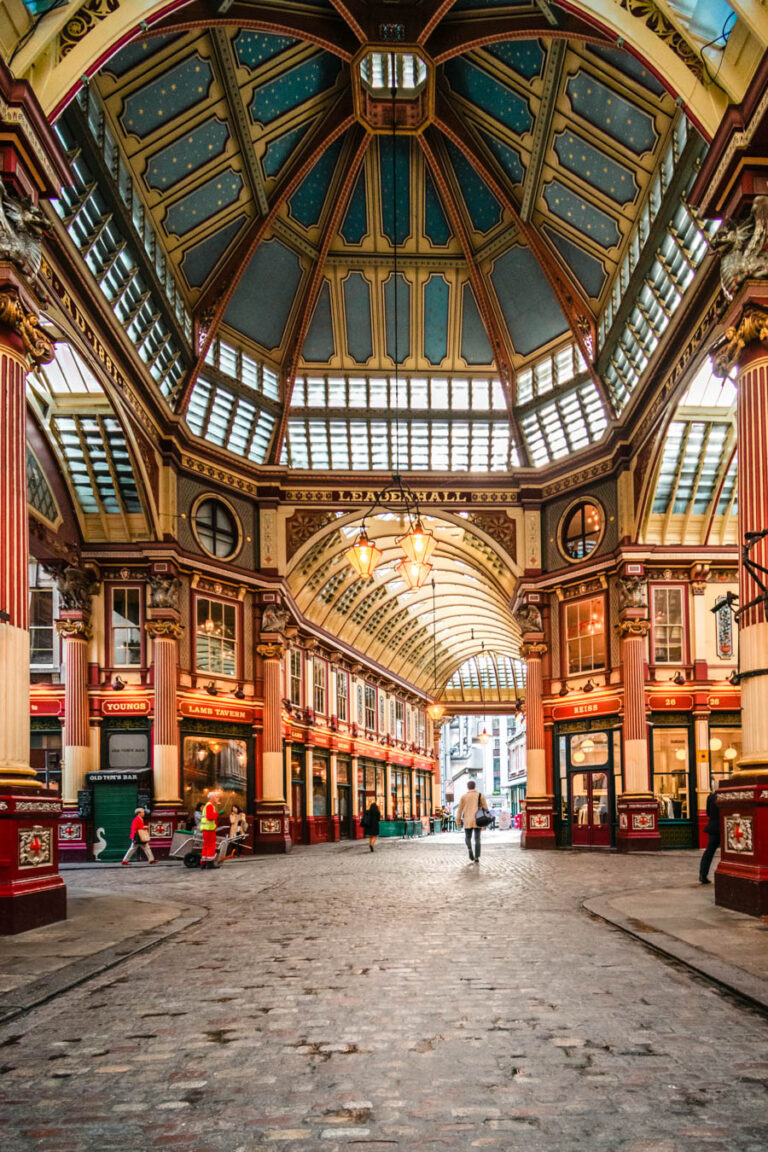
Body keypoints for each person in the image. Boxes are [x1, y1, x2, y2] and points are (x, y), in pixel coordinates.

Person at [456, 780, 488, 864]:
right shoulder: (480, 796)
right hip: (478, 820)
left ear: (468, 787)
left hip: (467, 820)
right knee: (477, 838)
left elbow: (459, 810)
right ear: (475, 786)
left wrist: (458, 821)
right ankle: (477, 857)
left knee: (467, 837)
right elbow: (485, 809)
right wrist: (485, 823)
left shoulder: (463, 797)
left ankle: (470, 849)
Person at [699, 788, 721, 884]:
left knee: (709, 852)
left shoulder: (711, 797)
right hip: (723, 826)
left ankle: (703, 874)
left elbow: (708, 812)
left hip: (713, 826)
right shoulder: (725, 796)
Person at [200, 790, 221, 869]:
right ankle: (210, 863)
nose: (217, 798)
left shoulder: (207, 805)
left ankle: (203, 863)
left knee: (206, 845)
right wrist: (217, 814)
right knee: (211, 845)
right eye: (216, 797)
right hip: (209, 829)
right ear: (212, 798)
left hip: (206, 829)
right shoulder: (210, 806)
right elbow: (210, 817)